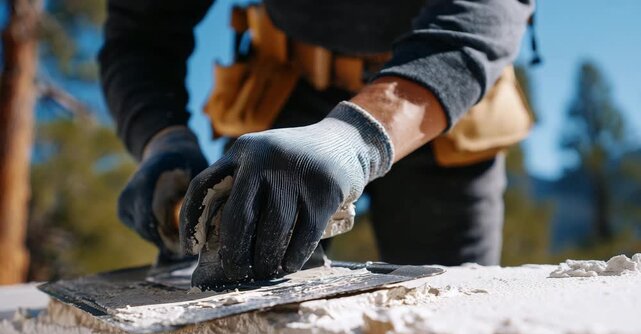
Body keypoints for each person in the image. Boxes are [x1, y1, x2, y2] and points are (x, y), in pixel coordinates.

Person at [99, 0, 534, 283]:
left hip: (436, 104)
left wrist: (357, 137)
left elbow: (482, 15)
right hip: (287, 97)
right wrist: (161, 138)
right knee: (238, 294)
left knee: (450, 306)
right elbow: (140, 35)